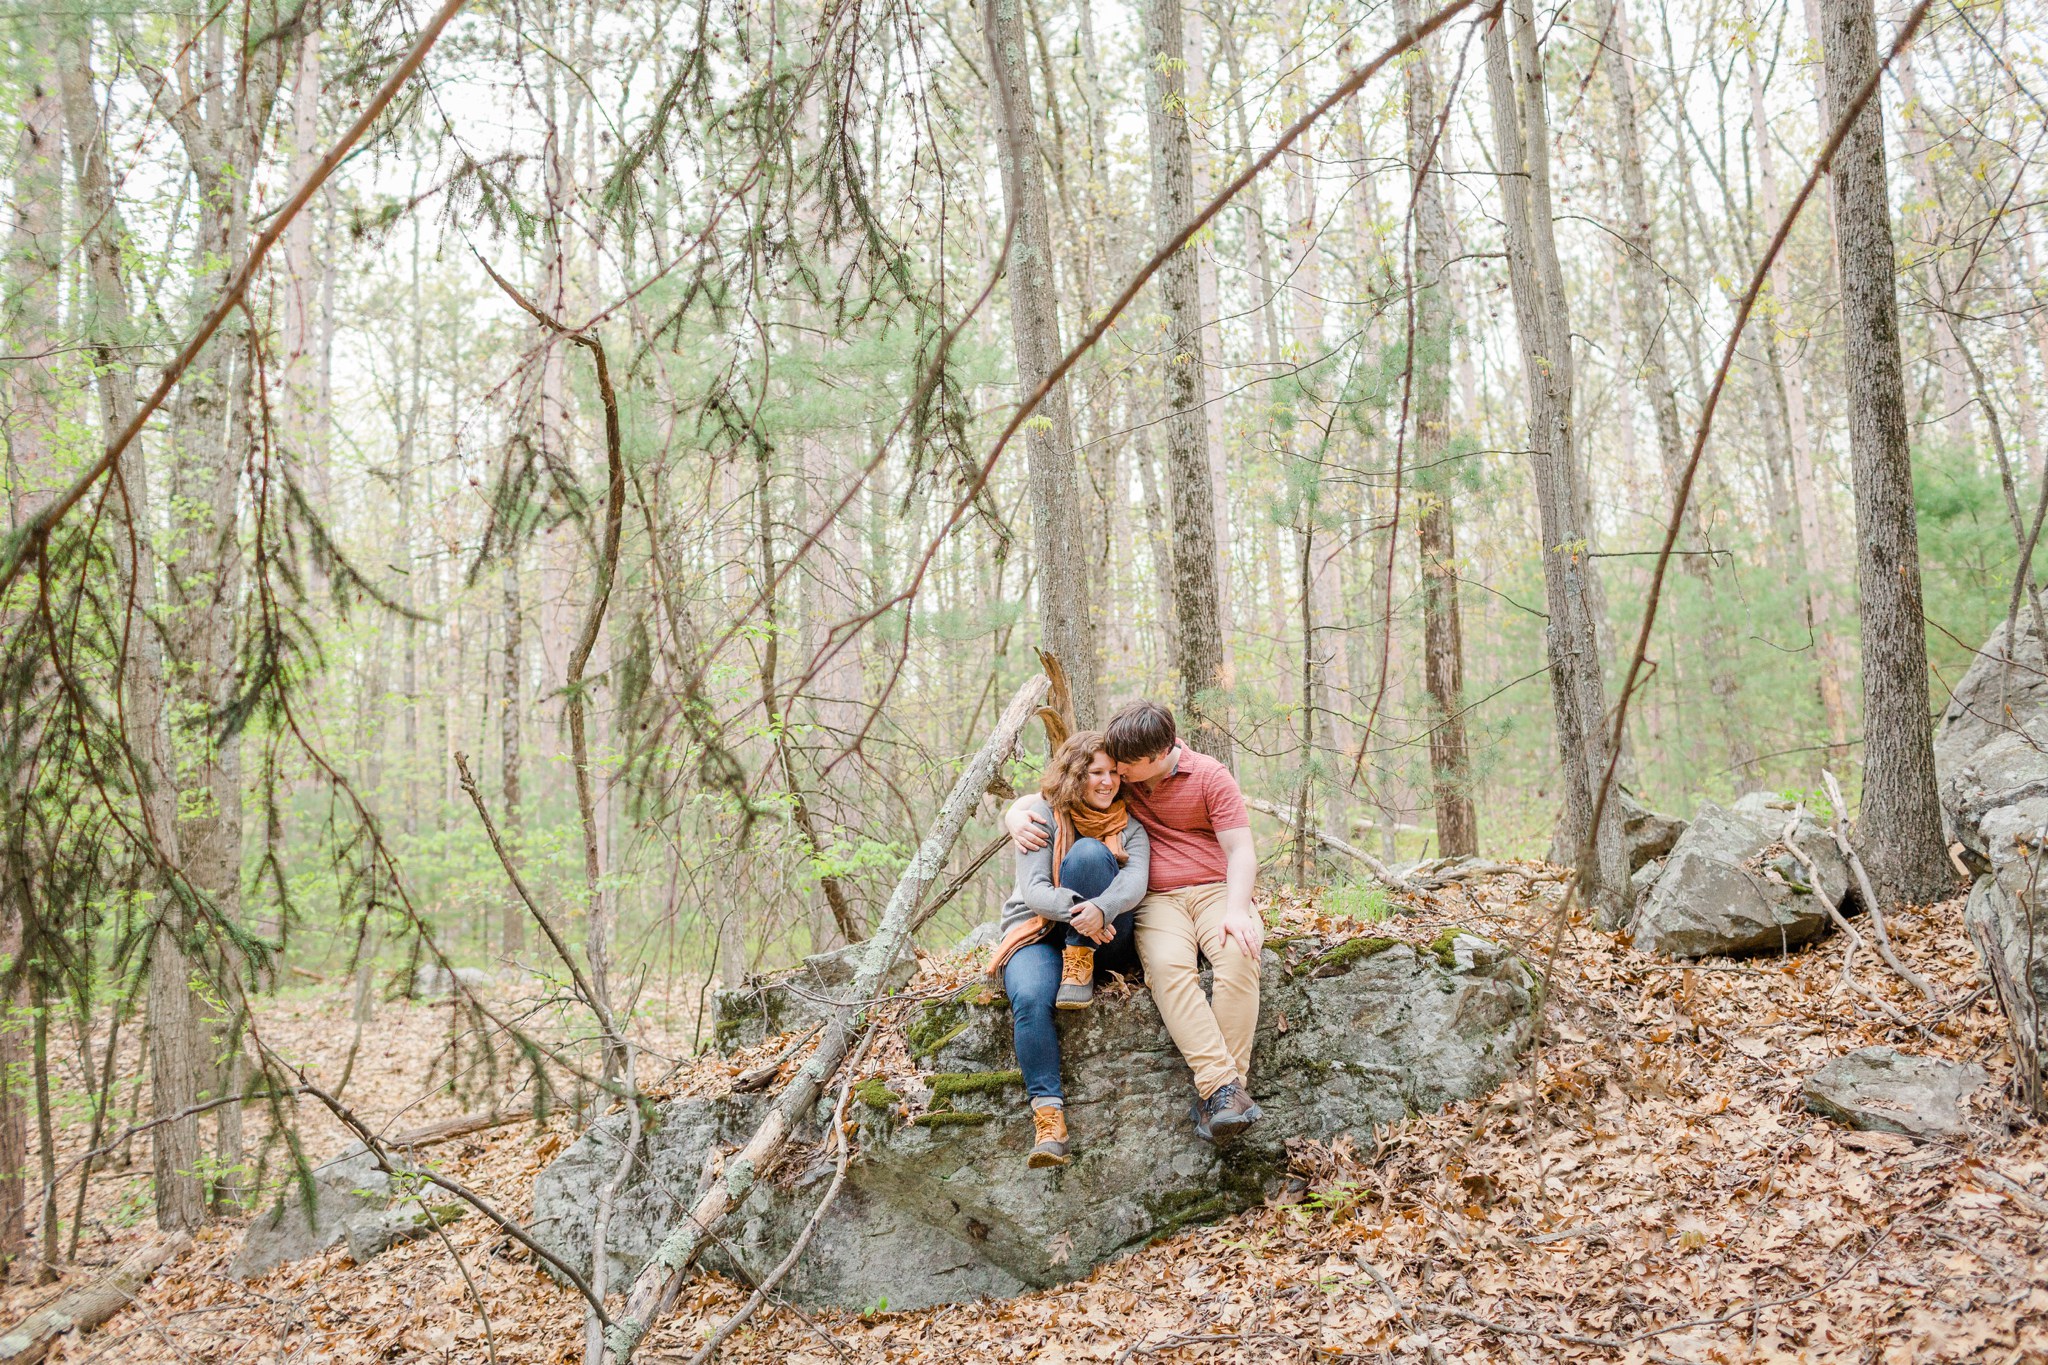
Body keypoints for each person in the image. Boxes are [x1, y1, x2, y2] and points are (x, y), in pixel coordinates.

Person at [1007, 701, 1263, 1143]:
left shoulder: (1208, 775)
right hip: (1158, 901)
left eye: (1123, 766)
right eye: (1111, 767)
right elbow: (1054, 792)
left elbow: (1241, 850)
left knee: (1239, 957)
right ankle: (1223, 1090)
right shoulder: (1125, 781)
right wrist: (1012, 813)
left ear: (1158, 756)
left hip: (1215, 891)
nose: (1115, 774)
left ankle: (1223, 1092)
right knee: (1167, 969)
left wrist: (1238, 910)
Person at [987, 730, 1151, 1168]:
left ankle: (1080, 964)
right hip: (1041, 930)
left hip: (1105, 941)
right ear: (1076, 773)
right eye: (1096, 772)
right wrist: (1083, 911)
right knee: (1028, 998)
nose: (1107, 782)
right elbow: (1036, 891)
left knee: (1087, 855)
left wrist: (1104, 909)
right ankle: (1050, 1122)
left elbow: (1135, 884)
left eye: (1115, 773)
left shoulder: (1130, 824)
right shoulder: (1040, 815)